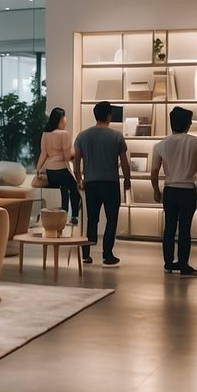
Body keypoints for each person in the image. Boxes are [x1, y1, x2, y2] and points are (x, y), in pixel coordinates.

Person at [150, 106, 197, 278]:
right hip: (188, 190)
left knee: (169, 228)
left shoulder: (160, 145)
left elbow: (154, 171)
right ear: (188, 124)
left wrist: (156, 190)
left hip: (169, 190)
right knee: (184, 229)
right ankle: (183, 265)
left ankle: (168, 263)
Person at [73, 100, 131, 267]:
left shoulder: (82, 136)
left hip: (91, 183)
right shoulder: (116, 136)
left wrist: (79, 180)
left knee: (92, 219)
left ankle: (86, 254)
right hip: (111, 183)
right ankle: (107, 255)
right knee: (111, 219)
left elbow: (77, 161)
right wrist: (127, 180)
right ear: (109, 116)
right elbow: (124, 162)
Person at [36, 106, 81, 225]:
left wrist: (38, 169)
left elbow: (43, 153)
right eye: (64, 117)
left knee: (64, 190)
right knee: (75, 189)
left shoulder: (46, 134)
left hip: (51, 170)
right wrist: (76, 155)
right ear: (61, 119)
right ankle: (74, 216)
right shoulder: (64, 134)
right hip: (62, 168)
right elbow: (67, 156)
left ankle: (63, 214)